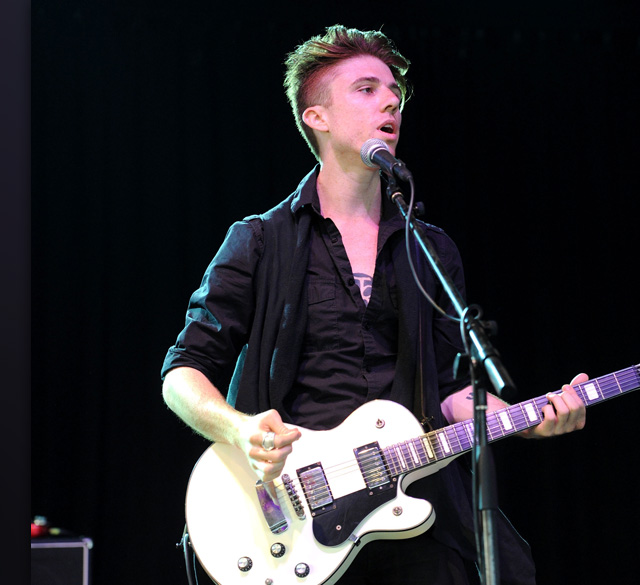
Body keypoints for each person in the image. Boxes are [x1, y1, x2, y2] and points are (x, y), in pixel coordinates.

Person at [161, 24, 587, 585]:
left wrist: (525, 420)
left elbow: (451, 391)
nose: (390, 101)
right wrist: (241, 431)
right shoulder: (261, 240)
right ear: (318, 117)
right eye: (366, 89)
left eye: (395, 93)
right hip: (292, 515)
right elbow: (182, 373)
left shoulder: (427, 247)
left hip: (412, 505)